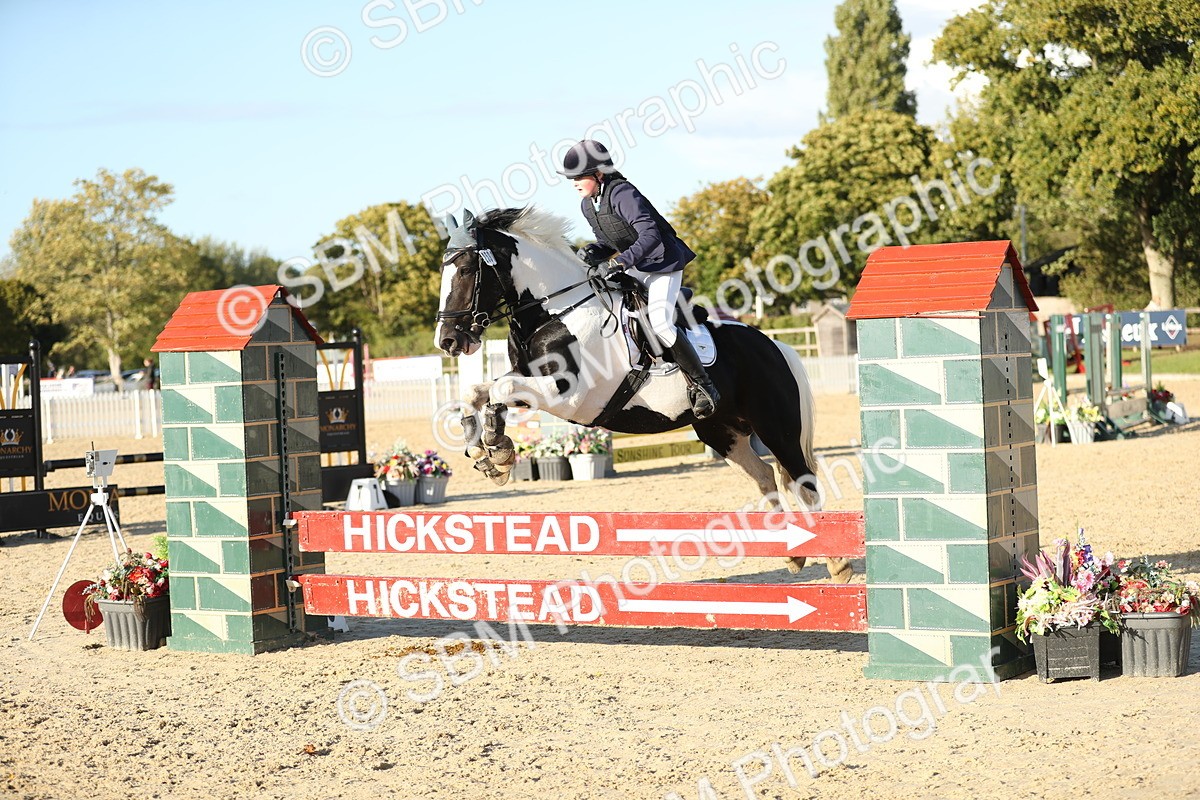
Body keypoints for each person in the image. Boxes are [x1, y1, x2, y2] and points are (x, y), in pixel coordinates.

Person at [558, 139, 720, 419]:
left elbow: (650, 235)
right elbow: (607, 240)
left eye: (579, 176)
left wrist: (620, 262)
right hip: (637, 263)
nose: (574, 182)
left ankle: (704, 386)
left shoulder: (623, 193)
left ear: (598, 174)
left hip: (663, 263)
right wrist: (594, 251)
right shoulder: (589, 205)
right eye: (572, 178)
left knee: (660, 323)